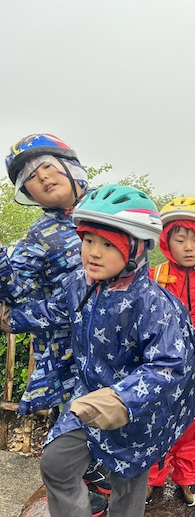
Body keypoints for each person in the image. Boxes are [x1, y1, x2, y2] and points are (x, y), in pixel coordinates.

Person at [0, 184, 195, 517]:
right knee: (56, 464)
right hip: (86, 400)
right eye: (89, 240)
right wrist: (10, 319)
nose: (93, 253)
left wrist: (120, 399)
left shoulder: (155, 305)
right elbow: (54, 309)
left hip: (137, 414)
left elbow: (168, 365)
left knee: (127, 491)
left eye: (109, 244)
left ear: (136, 250)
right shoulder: (80, 284)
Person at [0, 132, 109, 516]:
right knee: (74, 419)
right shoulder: (39, 234)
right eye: (29, 178)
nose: (42, 178)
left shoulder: (111, 205)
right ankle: (80, 490)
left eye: (47, 166)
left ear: (70, 167)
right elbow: (15, 289)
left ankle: (103, 470)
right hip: (70, 350)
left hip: (121, 340)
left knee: (117, 415)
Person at [146, 196, 195, 506]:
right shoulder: (154, 277)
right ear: (167, 242)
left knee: (194, 423)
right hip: (160, 369)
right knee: (157, 421)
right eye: (180, 239)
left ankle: (189, 476)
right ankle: (152, 477)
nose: (189, 247)